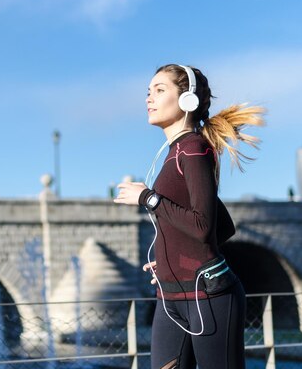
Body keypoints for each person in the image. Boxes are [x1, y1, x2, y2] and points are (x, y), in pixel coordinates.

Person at [113, 64, 265, 369]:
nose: (149, 98)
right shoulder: (175, 153)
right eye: (148, 92)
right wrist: (174, 257)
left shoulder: (195, 150)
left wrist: (148, 197)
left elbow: (204, 226)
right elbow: (224, 226)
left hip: (209, 298)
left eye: (159, 90)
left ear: (187, 100)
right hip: (170, 298)